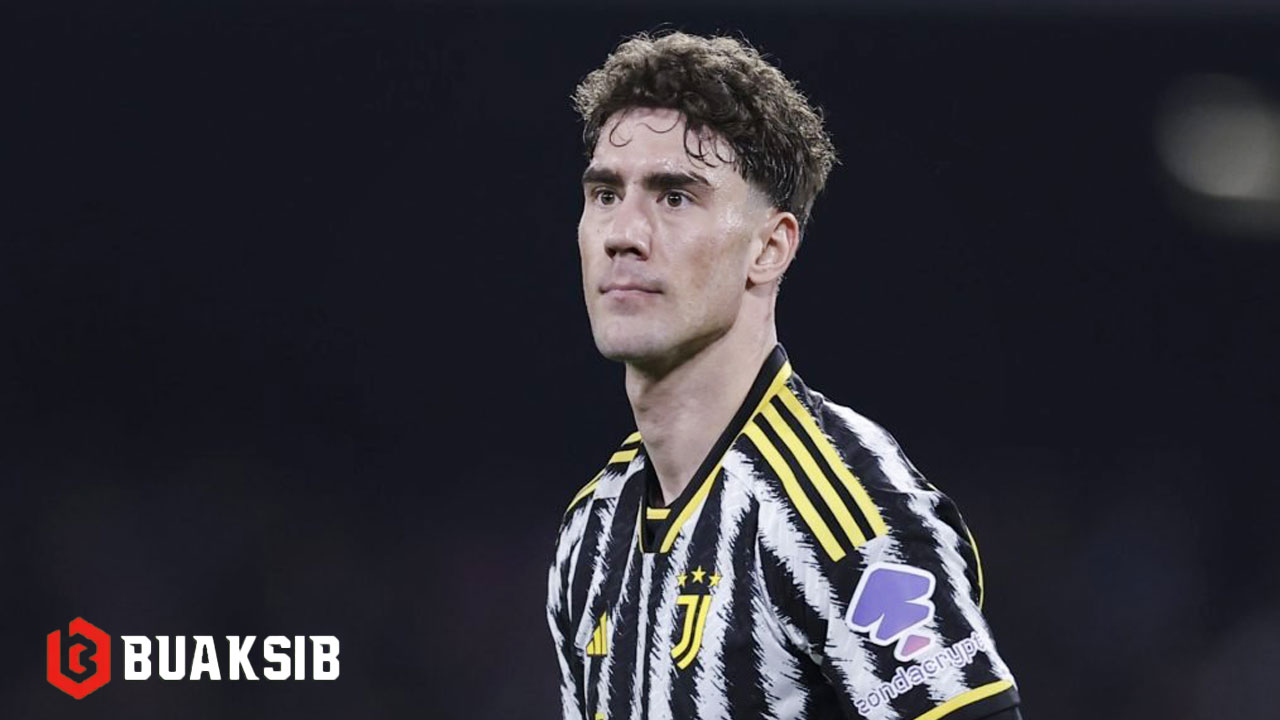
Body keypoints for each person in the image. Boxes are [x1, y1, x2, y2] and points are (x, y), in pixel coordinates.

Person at [547, 31, 1022, 720]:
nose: (624, 233)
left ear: (770, 248)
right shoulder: (591, 531)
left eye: (674, 197)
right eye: (605, 194)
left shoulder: (841, 509)